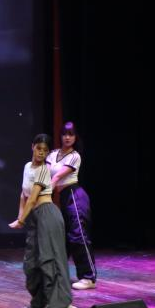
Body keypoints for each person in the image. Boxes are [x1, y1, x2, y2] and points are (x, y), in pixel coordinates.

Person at [10, 133, 77, 308]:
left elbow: (33, 198)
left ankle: (62, 306)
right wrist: (20, 216)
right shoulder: (27, 167)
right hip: (35, 218)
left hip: (48, 215)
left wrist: (21, 221)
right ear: (33, 147)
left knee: (50, 261)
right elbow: (24, 195)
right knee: (31, 263)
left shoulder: (43, 169)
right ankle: (39, 302)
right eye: (39, 148)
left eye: (45, 151)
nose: (41, 153)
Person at [49, 122, 96, 290]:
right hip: (63, 197)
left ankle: (88, 277)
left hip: (75, 196)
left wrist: (42, 196)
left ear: (76, 137)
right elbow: (46, 174)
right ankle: (59, 273)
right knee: (64, 238)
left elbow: (56, 178)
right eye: (64, 134)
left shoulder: (75, 156)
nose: (67, 137)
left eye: (71, 134)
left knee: (79, 235)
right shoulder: (53, 154)